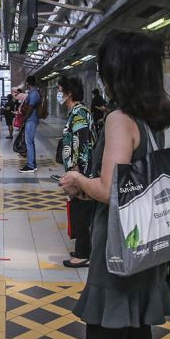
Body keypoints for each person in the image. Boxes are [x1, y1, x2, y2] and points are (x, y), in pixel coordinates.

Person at [59, 30, 170, 339]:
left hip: (120, 251)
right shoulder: (155, 120)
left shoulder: (119, 121)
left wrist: (77, 181)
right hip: (150, 246)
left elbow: (111, 188)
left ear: (117, 73)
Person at [57, 76, 93, 269]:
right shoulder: (77, 112)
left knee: (81, 212)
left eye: (60, 89)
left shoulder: (79, 113)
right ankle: (82, 250)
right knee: (80, 210)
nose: (58, 93)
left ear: (69, 93)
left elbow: (82, 142)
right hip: (78, 171)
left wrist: (77, 172)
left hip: (81, 172)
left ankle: (83, 254)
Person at [19, 76, 42, 173]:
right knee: (30, 142)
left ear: (28, 83)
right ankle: (33, 164)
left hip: (31, 121)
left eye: (26, 83)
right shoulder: (33, 93)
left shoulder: (34, 94)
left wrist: (24, 120)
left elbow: (30, 108)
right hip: (31, 120)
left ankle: (30, 165)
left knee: (29, 143)